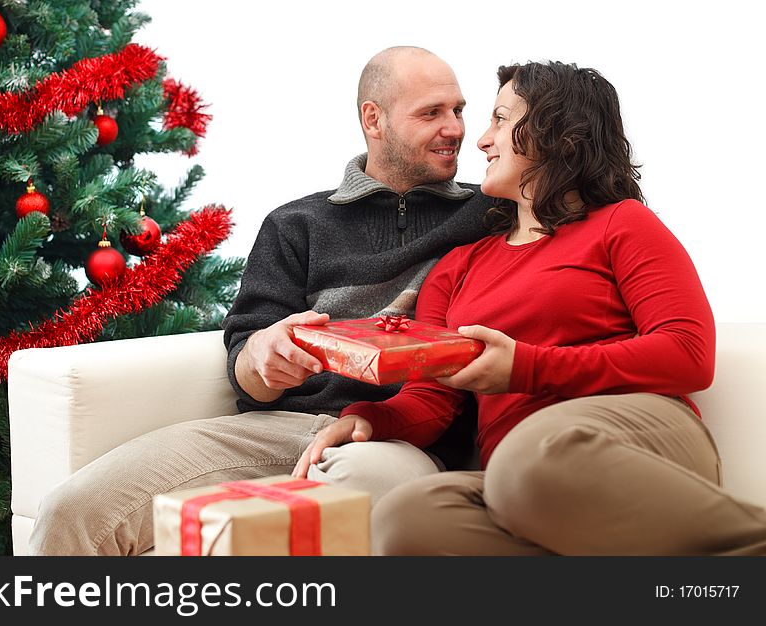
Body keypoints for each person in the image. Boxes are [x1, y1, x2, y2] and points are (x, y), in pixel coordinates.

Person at [29, 46, 493, 555]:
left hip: (392, 440)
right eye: (432, 113)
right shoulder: (297, 225)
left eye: (459, 110)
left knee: (344, 492)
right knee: (73, 510)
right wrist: (263, 357)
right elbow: (246, 367)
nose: (455, 128)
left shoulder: (490, 213)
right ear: (373, 119)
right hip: (275, 429)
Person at [302, 61, 766, 555]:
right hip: (518, 479)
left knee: (533, 460)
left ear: (555, 133)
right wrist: (370, 418)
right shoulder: (459, 266)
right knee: (409, 518)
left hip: (629, 438)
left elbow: (688, 354)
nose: (480, 140)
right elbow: (432, 400)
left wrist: (527, 367)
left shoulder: (621, 225)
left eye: (500, 119)